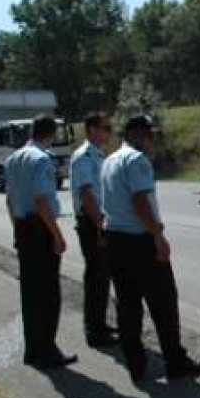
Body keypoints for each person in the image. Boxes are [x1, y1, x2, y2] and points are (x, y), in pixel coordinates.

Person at [101, 115, 200, 382]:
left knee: (128, 305)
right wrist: (158, 236)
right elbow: (140, 201)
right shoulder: (137, 161)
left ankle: (136, 365)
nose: (153, 141)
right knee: (163, 303)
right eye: (150, 135)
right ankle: (175, 361)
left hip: (116, 240)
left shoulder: (109, 160)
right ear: (138, 134)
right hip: (140, 241)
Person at [3, 114, 77, 369]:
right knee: (48, 294)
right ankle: (47, 350)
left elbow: (10, 201)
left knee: (31, 293)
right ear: (52, 134)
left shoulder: (13, 159)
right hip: (40, 228)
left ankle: (33, 349)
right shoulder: (42, 159)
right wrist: (57, 235)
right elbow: (42, 201)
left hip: (23, 228)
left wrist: (17, 230)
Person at [70, 113, 119, 348]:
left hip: (101, 220)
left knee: (103, 276)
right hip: (92, 222)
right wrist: (100, 224)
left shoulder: (100, 155)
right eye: (104, 128)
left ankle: (100, 323)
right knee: (96, 276)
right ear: (90, 130)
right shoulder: (83, 157)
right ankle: (94, 330)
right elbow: (87, 194)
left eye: (109, 128)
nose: (108, 132)